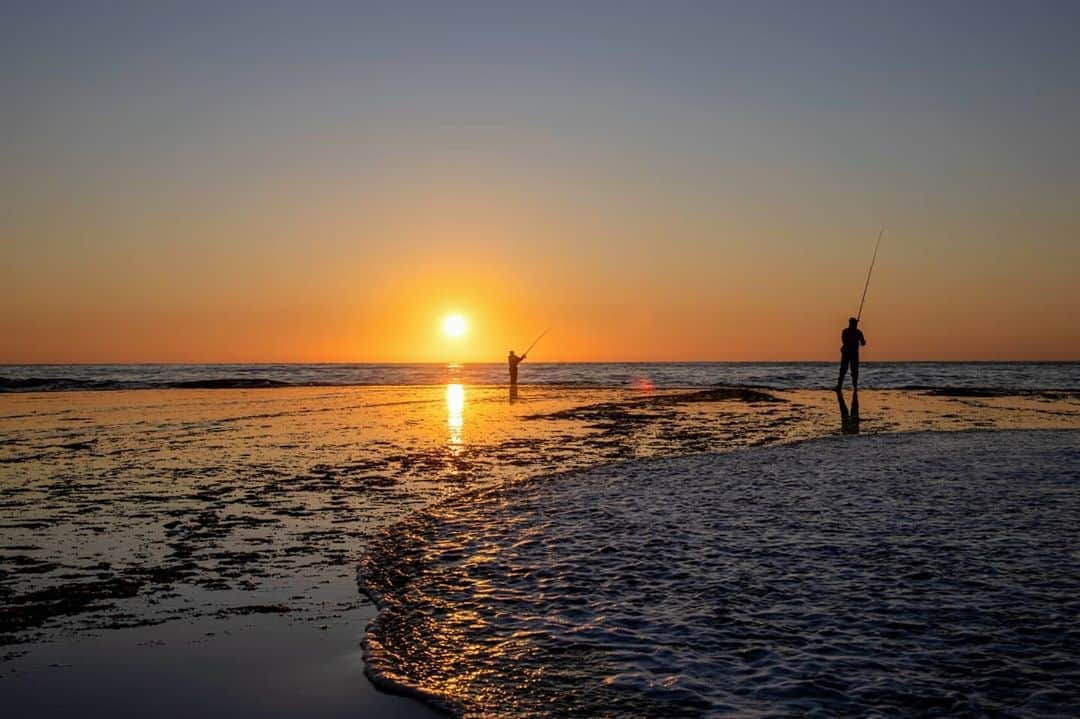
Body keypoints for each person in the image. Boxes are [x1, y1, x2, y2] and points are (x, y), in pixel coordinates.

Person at [836, 317, 866, 391]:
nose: (855, 325)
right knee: (844, 370)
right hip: (847, 353)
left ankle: (854, 387)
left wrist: (862, 341)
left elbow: (862, 343)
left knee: (853, 371)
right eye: (854, 323)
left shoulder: (857, 332)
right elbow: (844, 341)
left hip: (852, 353)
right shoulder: (848, 331)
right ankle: (840, 386)